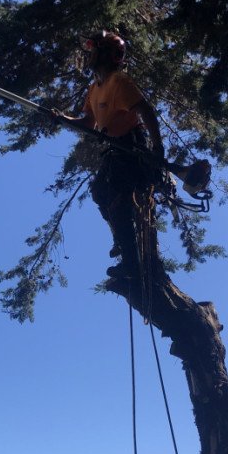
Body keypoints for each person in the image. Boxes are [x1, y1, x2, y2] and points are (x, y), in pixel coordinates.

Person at [54, 30, 165, 274]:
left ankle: (131, 264)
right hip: (115, 148)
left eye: (94, 51)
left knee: (118, 202)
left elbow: (146, 111)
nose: (90, 55)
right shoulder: (94, 88)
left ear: (105, 54)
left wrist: (157, 148)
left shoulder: (119, 82)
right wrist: (63, 119)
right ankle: (122, 241)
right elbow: (89, 122)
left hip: (132, 145)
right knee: (99, 192)